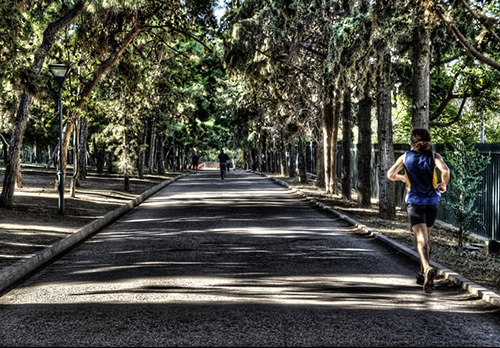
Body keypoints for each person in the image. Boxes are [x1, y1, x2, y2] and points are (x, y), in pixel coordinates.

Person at [387, 128, 450, 294]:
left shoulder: (405, 157)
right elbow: (445, 171)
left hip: (415, 203)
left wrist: (404, 178)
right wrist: (443, 185)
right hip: (432, 203)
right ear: (428, 141)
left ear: (412, 142)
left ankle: (428, 268)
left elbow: (390, 174)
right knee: (427, 239)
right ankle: (422, 273)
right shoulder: (434, 156)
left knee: (421, 240)